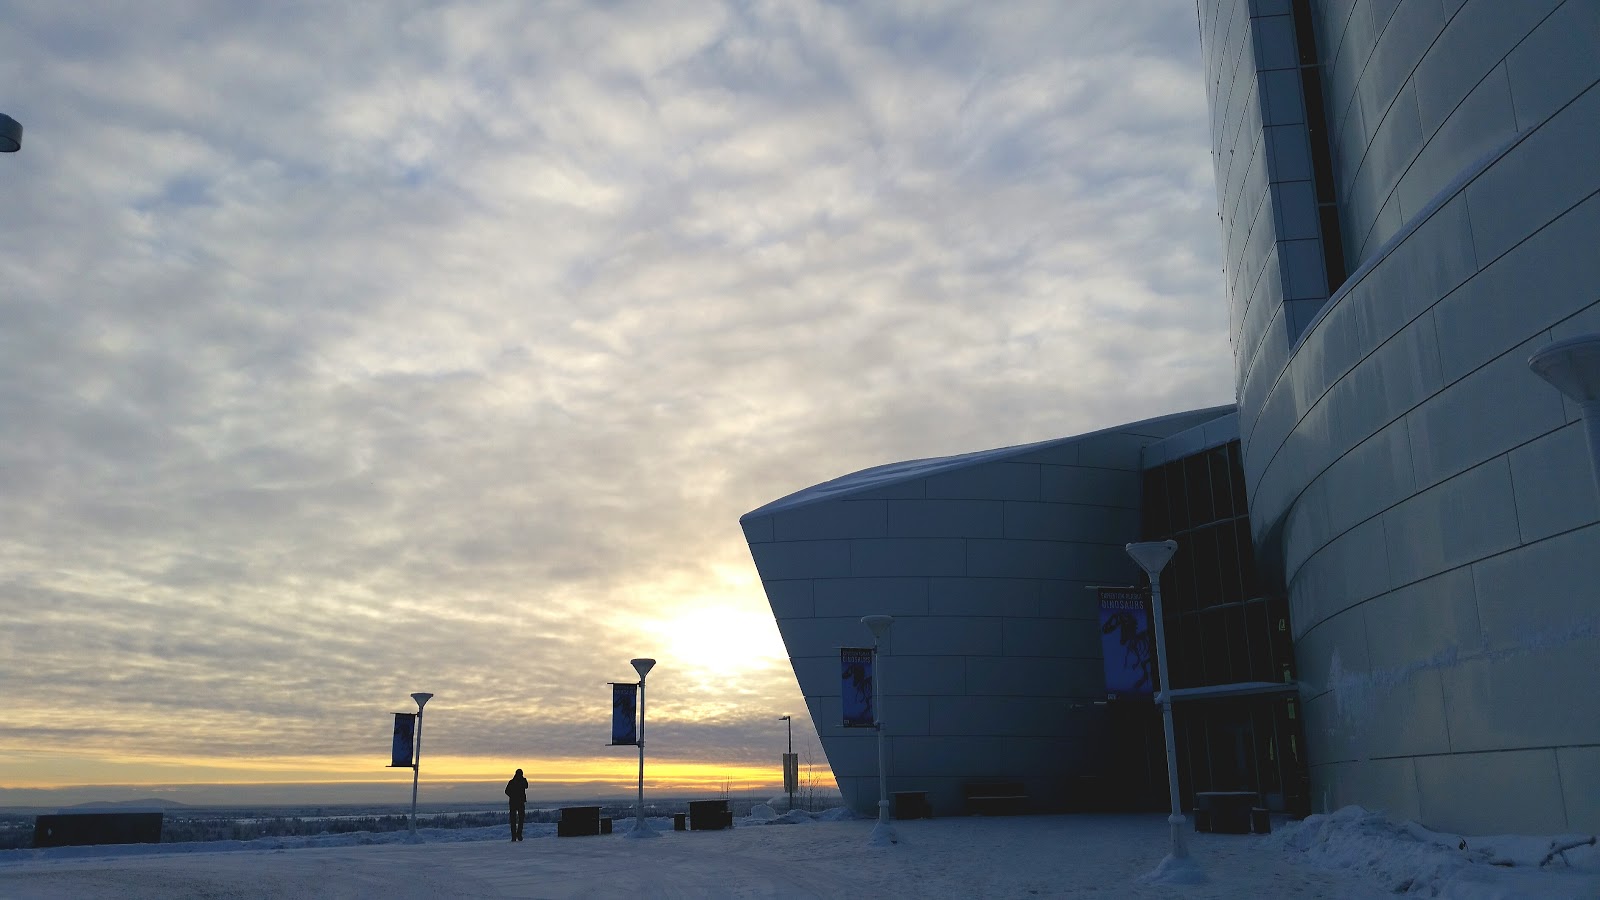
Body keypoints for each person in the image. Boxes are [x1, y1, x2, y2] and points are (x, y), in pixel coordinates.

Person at [505, 768, 529, 841]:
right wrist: (513, 796)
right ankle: (516, 835)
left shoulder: (514, 782)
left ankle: (516, 835)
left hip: (516, 802)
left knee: (516, 819)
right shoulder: (513, 782)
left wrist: (512, 796)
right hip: (517, 802)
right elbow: (506, 791)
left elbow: (526, 786)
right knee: (517, 819)